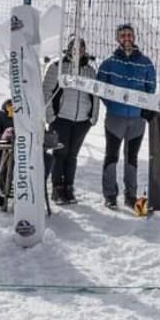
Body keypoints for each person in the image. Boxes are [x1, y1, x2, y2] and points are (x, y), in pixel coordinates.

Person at [96, 23, 156, 210]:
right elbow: (100, 88)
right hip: (115, 118)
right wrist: (113, 105)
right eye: (123, 35)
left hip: (137, 120)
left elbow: (151, 88)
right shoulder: (108, 63)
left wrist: (144, 108)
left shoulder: (145, 63)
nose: (127, 38)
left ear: (134, 37)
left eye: (129, 35)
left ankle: (131, 196)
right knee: (111, 156)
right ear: (117, 39)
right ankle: (110, 195)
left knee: (132, 158)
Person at [43, 37, 99, 204]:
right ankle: (57, 189)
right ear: (68, 49)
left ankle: (69, 187)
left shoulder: (90, 71)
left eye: (81, 47)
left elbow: (95, 94)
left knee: (72, 155)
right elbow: (46, 91)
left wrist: (93, 116)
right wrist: (51, 116)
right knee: (60, 153)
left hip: (82, 120)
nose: (77, 51)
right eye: (73, 47)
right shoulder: (57, 67)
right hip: (61, 118)